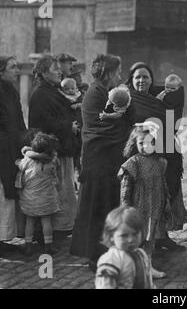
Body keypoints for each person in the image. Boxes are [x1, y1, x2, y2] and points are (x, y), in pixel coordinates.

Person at [71, 54, 131, 271]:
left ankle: (106, 253)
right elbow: (100, 127)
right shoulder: (96, 93)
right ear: (107, 73)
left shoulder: (104, 91)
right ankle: (96, 256)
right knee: (98, 208)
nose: (120, 75)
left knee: (106, 207)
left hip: (106, 162)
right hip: (99, 162)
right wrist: (126, 130)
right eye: (117, 71)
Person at [126, 62, 187, 251]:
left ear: (152, 80)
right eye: (137, 77)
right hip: (142, 156)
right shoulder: (128, 99)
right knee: (145, 198)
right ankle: (144, 239)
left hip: (164, 153)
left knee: (164, 194)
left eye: (145, 77)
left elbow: (178, 90)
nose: (141, 81)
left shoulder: (155, 98)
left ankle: (162, 236)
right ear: (131, 80)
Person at [29, 55, 80, 239]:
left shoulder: (53, 91)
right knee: (56, 191)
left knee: (64, 190)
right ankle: (54, 231)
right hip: (53, 151)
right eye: (54, 69)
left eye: (59, 68)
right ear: (43, 73)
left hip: (63, 148)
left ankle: (62, 228)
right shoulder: (40, 94)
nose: (59, 71)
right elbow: (42, 122)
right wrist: (68, 126)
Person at [119, 123, 169, 279]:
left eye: (149, 142)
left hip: (154, 208)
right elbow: (125, 190)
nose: (145, 146)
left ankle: (147, 267)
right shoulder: (132, 163)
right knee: (134, 240)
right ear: (135, 144)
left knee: (150, 240)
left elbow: (163, 184)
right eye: (141, 143)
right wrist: (126, 209)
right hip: (138, 208)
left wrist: (166, 203)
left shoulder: (160, 162)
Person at [16, 132, 61, 256]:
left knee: (29, 221)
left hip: (30, 198)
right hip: (47, 198)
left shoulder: (28, 160)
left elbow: (20, 166)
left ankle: (28, 245)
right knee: (46, 221)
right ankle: (48, 246)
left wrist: (23, 155)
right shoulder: (52, 160)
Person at [0, 56, 27, 254]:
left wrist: (25, 139)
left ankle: (5, 238)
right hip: (2, 148)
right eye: (13, 67)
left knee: (9, 192)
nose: (17, 71)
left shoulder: (11, 91)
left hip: (11, 147)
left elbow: (18, 121)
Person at [95, 206, 154, 289]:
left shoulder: (141, 254)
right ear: (111, 236)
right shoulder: (111, 259)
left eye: (135, 234)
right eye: (124, 236)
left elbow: (147, 281)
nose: (130, 240)